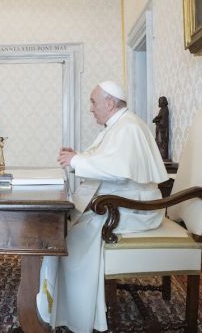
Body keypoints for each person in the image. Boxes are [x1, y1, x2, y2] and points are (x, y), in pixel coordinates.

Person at [36, 81, 168, 332]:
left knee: (70, 239)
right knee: (61, 229)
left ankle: (77, 315)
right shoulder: (118, 126)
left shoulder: (128, 127)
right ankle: (56, 304)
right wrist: (80, 157)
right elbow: (109, 161)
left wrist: (77, 160)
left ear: (110, 103)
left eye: (93, 102)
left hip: (133, 209)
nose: (91, 108)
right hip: (121, 204)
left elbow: (117, 170)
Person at [153, 96, 169, 160]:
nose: (159, 102)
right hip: (159, 129)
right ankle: (160, 156)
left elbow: (163, 121)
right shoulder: (161, 110)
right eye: (159, 101)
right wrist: (156, 119)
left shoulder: (165, 109)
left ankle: (163, 156)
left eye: (160, 101)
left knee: (161, 143)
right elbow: (159, 117)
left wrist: (158, 122)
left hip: (162, 130)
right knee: (158, 142)